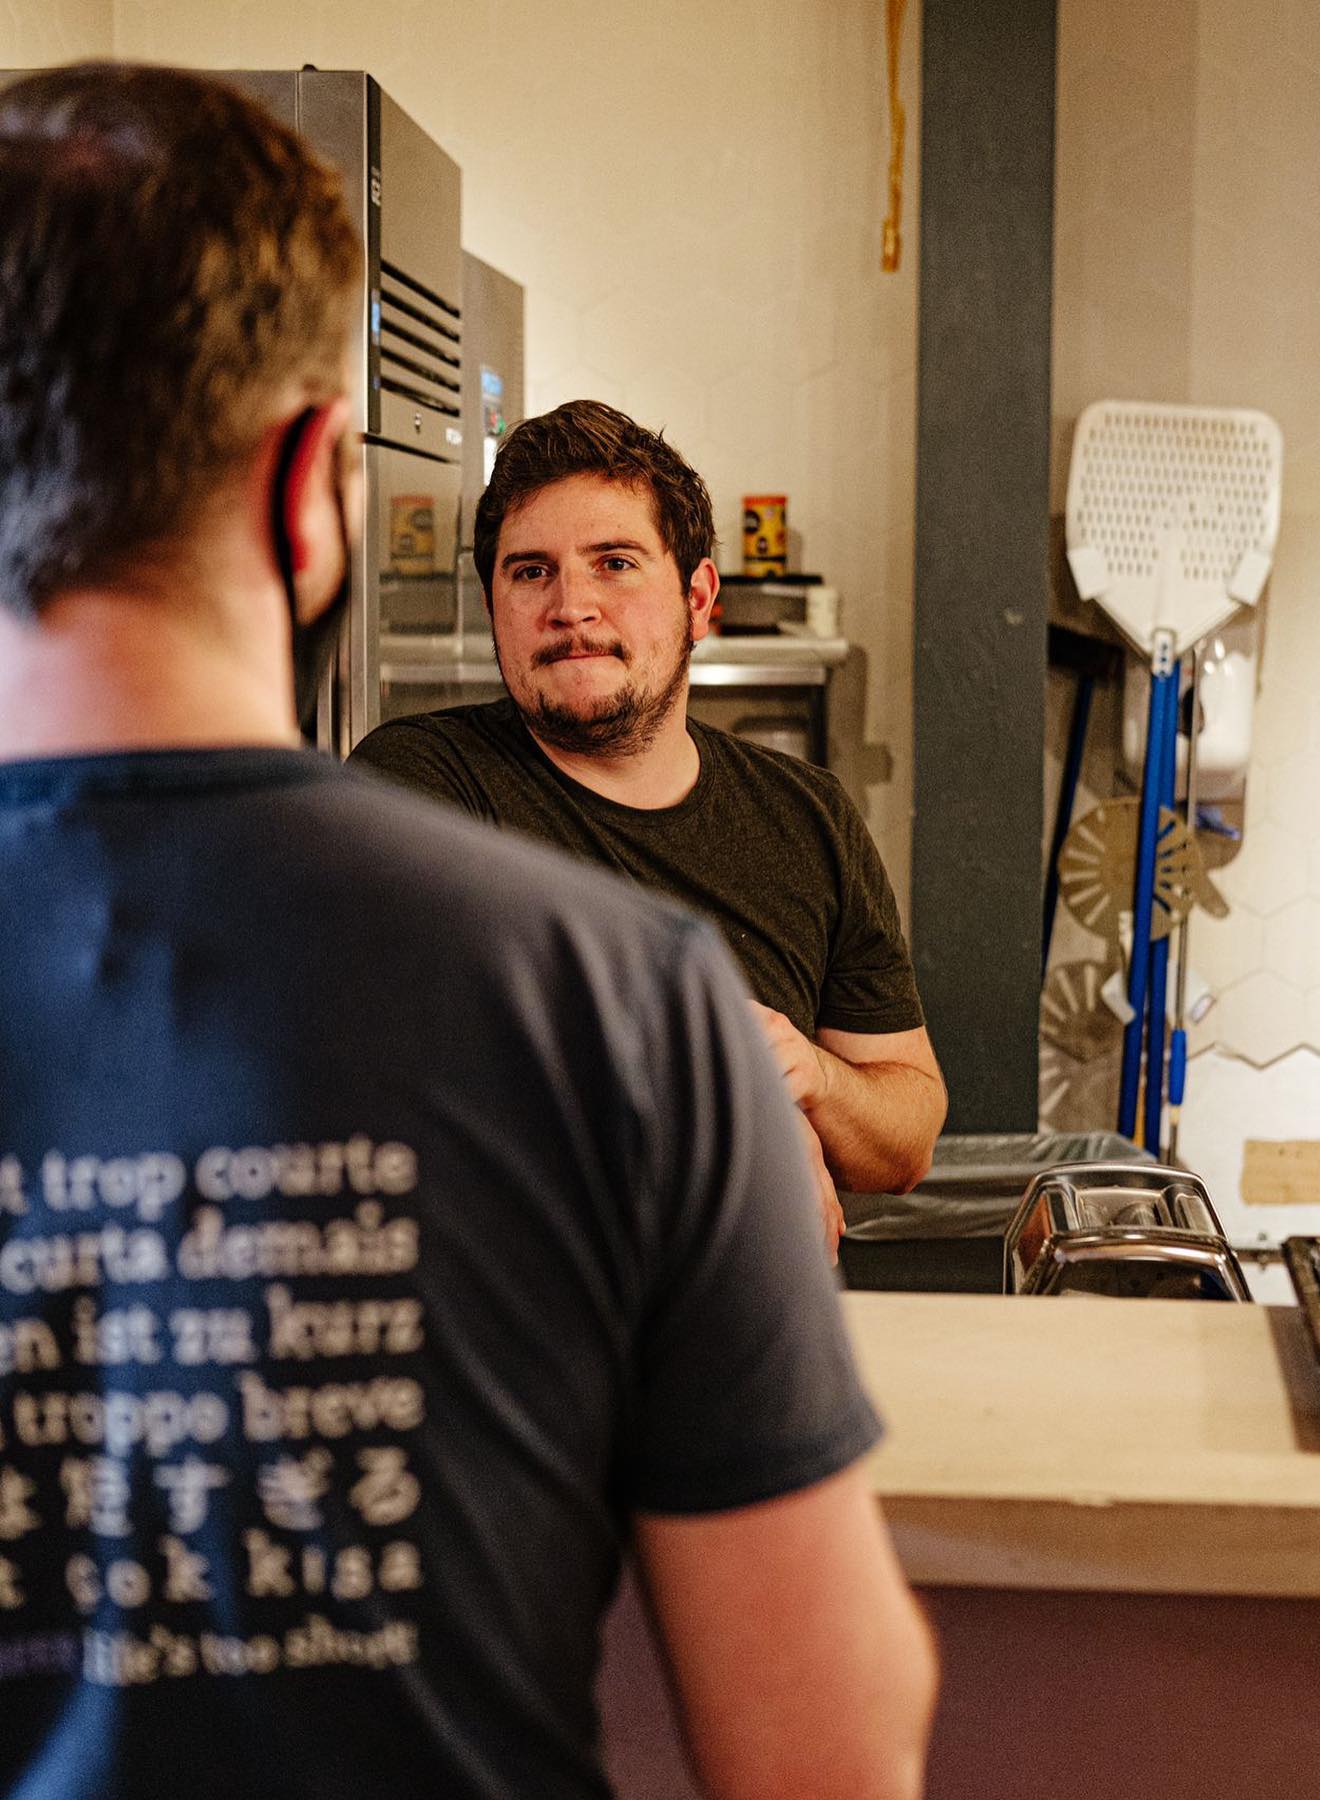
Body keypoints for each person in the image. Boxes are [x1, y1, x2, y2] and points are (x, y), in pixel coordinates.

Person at [0, 62, 936, 1800]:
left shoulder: (744, 869)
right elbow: (827, 1747)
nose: (572, 606)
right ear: (314, 494)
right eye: (532, 570)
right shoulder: (622, 995)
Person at [350, 401, 949, 1250]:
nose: (571, 606)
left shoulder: (808, 816)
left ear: (698, 599)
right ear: (493, 606)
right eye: (531, 572)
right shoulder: (420, 788)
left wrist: (811, 1076)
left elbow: (908, 1137)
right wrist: (741, 1127)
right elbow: (415, 1094)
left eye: (615, 564)